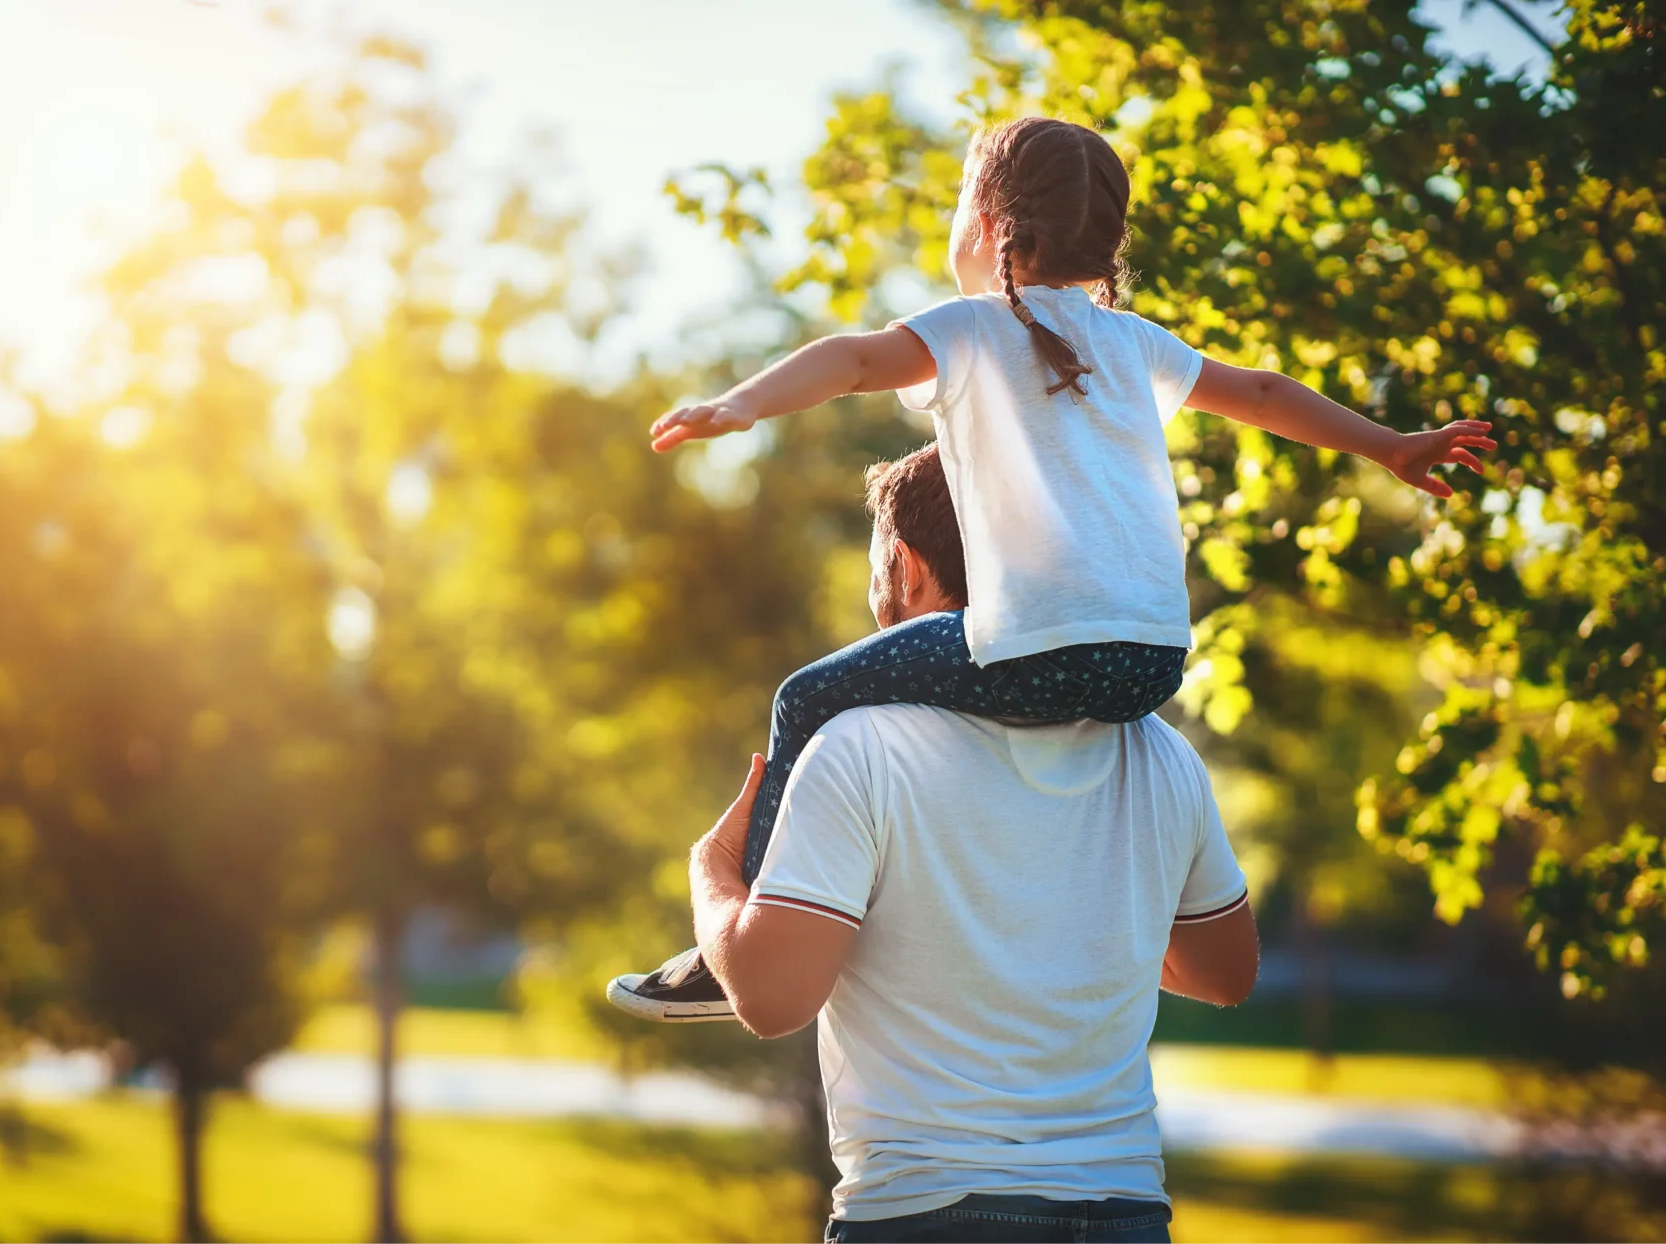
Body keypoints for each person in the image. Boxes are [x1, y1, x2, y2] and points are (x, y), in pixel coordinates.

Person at [608, 115, 1491, 1021]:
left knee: (804, 698)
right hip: (1151, 664)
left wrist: (741, 405)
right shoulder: (1136, 342)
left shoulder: (973, 330)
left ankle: (745, 932)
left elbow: (854, 359)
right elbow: (1263, 393)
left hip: (1035, 651)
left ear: (987, 227)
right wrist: (1390, 446)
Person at [690, 443, 1259, 1242]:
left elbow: (771, 997)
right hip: (1125, 1213)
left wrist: (713, 878)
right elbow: (1224, 974)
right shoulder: (1161, 752)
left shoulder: (859, 746)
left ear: (906, 564)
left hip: (931, 1212)